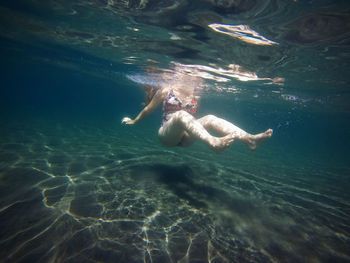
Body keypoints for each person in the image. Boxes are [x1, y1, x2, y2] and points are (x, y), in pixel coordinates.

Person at [122, 66, 273, 154]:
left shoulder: (197, 95)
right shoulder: (166, 90)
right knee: (180, 114)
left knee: (211, 118)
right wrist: (134, 121)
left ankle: (249, 139)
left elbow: (192, 120)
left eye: (193, 76)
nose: (190, 78)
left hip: (186, 138)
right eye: (185, 73)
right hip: (167, 135)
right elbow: (149, 109)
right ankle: (213, 142)